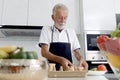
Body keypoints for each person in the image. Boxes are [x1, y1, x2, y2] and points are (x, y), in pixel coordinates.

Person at [39, 3, 88, 71]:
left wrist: (81, 59)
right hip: (51, 71)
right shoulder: (46, 30)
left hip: (68, 71)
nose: (63, 21)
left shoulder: (71, 32)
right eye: (60, 17)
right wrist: (61, 60)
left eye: (65, 17)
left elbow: (76, 52)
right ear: (53, 17)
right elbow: (44, 52)